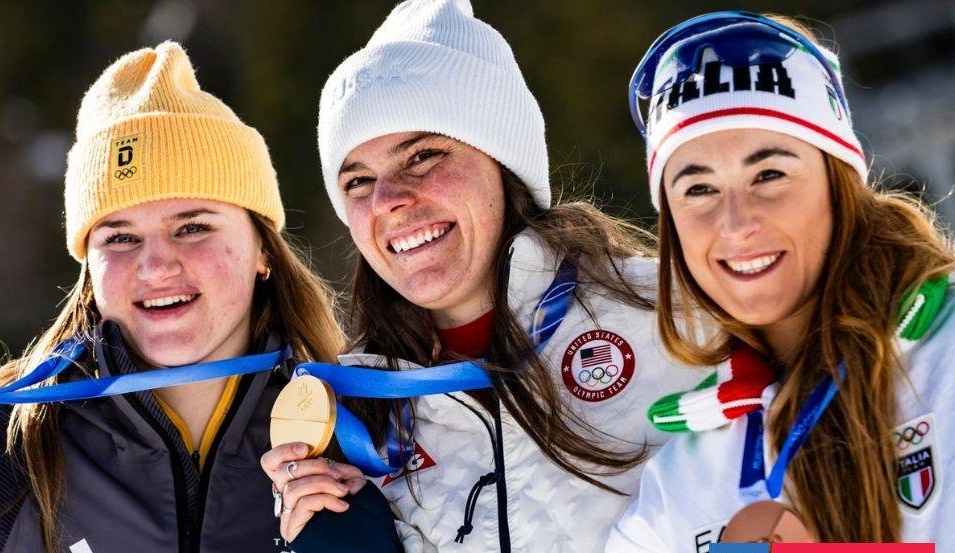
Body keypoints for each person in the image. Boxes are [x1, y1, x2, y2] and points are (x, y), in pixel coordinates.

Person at [0, 42, 378, 553]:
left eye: (193, 226)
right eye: (120, 237)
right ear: (88, 266)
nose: (155, 264)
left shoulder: (362, 435)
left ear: (262, 250)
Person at [261, 1, 715, 551]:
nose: (388, 201)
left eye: (423, 156)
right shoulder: (353, 416)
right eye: (357, 181)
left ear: (506, 164)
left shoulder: (678, 316)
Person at [607, 12, 955, 551]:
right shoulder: (681, 479)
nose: (736, 223)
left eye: (769, 174)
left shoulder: (944, 359)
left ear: (839, 185)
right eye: (697, 189)